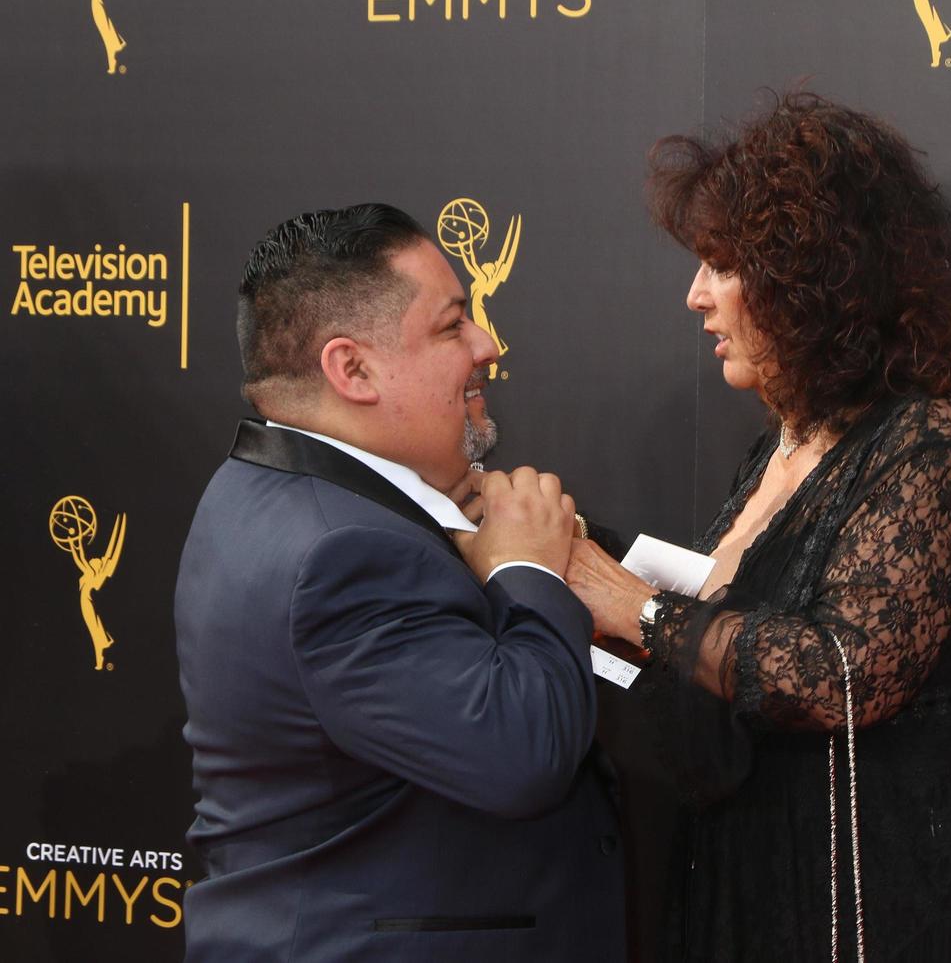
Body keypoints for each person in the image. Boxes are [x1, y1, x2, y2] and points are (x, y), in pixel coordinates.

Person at [566, 94, 951, 961]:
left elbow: (841, 673)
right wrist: (569, 554)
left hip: (926, 888)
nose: (695, 297)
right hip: (788, 875)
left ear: (811, 282)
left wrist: (632, 606)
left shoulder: (933, 438)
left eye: (720, 265)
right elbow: (737, 631)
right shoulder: (780, 447)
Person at [174, 203, 624, 963]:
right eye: (452, 327)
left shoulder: (263, 490)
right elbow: (521, 754)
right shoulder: (341, 552)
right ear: (351, 369)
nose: (487, 344)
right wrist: (526, 569)